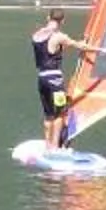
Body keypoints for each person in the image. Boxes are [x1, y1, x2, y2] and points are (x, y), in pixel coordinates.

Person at [30, 9, 78, 147]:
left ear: (48, 17)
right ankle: (55, 147)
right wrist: (100, 50)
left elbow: (49, 51)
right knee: (60, 114)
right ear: (63, 21)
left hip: (42, 79)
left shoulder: (36, 35)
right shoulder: (59, 36)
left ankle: (47, 145)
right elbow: (79, 46)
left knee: (48, 115)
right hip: (55, 80)